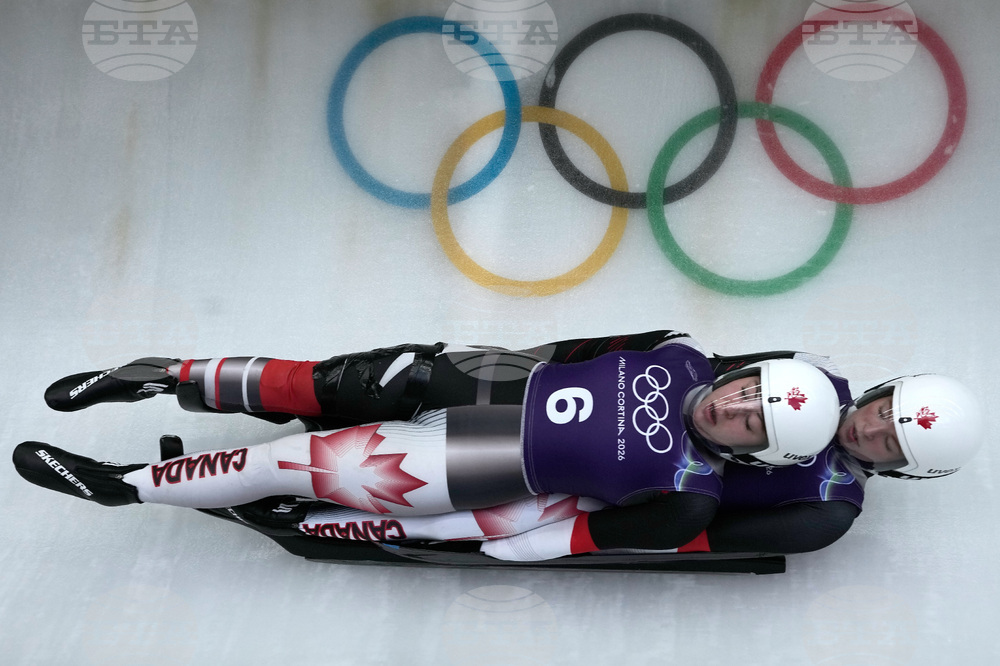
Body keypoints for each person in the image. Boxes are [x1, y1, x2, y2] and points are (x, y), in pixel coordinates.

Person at [13, 331, 844, 560]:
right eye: (749, 390)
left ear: (759, 456)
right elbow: (575, 352)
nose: (737, 407)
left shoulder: (691, 485)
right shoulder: (683, 353)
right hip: (491, 385)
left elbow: (595, 534)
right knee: (325, 380)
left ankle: (125, 483)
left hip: (486, 458)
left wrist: (512, 539)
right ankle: (163, 373)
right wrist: (467, 357)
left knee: (292, 464)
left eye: (754, 423)